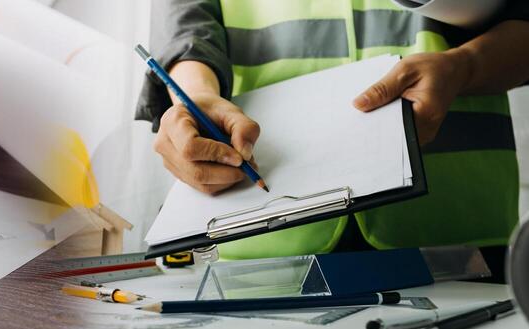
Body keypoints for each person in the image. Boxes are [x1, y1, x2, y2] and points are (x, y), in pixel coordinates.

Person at [139, 0, 529, 259]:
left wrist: (467, 66)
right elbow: (186, 30)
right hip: (267, 237)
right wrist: (194, 97)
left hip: (460, 227)